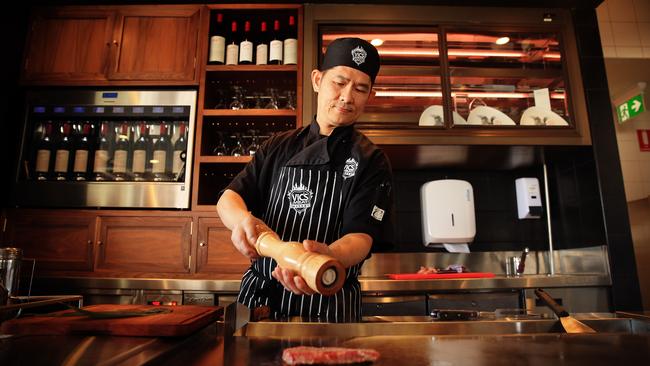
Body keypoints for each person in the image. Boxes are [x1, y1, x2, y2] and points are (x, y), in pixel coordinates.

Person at [216, 37, 393, 322]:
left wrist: (324, 257)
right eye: (339, 82)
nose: (348, 97)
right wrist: (242, 222)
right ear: (317, 80)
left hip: (329, 299)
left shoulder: (371, 160)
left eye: (361, 89)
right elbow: (229, 199)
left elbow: (361, 237)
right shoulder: (278, 145)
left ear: (369, 95)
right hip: (261, 298)